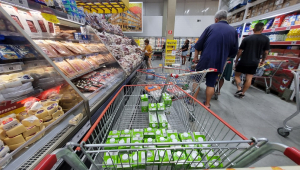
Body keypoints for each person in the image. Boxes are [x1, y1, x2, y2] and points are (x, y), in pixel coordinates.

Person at [192, 10, 238, 109]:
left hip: (206, 59)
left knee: (197, 80)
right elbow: (234, 50)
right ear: (226, 19)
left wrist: (195, 57)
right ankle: (207, 104)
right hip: (219, 62)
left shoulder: (210, 27)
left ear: (216, 19)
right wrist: (225, 58)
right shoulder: (233, 31)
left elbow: (198, 44)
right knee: (211, 83)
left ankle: (193, 100)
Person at [234, 22, 270, 98]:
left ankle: (239, 88)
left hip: (243, 61)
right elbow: (266, 52)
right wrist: (263, 60)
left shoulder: (247, 38)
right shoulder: (266, 39)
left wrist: (237, 60)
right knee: (249, 78)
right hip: (254, 62)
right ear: (262, 29)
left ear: (253, 29)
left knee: (237, 76)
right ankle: (242, 93)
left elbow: (240, 51)